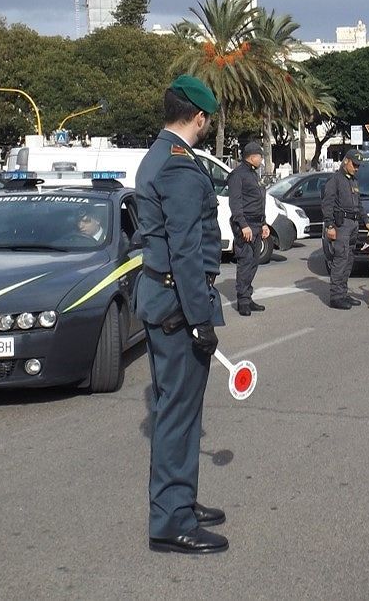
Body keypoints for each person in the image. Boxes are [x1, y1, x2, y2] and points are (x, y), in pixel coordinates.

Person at [133, 75, 229, 555]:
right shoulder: (179, 168)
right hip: (177, 305)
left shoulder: (158, 155)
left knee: (178, 410)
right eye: (207, 119)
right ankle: (171, 521)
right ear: (199, 117)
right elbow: (186, 249)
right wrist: (199, 318)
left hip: (163, 299)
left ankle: (181, 501)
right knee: (177, 414)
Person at [321, 148, 369, 310]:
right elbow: (327, 204)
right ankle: (336, 297)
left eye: (359, 166)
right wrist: (329, 225)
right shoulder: (335, 180)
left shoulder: (353, 181)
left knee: (348, 260)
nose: (356, 168)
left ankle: (343, 292)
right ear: (346, 161)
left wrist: (366, 221)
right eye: (354, 165)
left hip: (353, 223)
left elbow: (359, 204)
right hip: (340, 224)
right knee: (340, 259)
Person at [227, 141, 269, 316]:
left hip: (257, 224)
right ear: (252, 157)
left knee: (253, 263)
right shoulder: (238, 175)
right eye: (260, 156)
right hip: (246, 225)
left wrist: (264, 223)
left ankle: (248, 297)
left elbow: (259, 201)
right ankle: (242, 301)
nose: (261, 159)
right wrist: (243, 225)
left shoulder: (253, 174)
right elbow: (235, 203)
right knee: (245, 262)